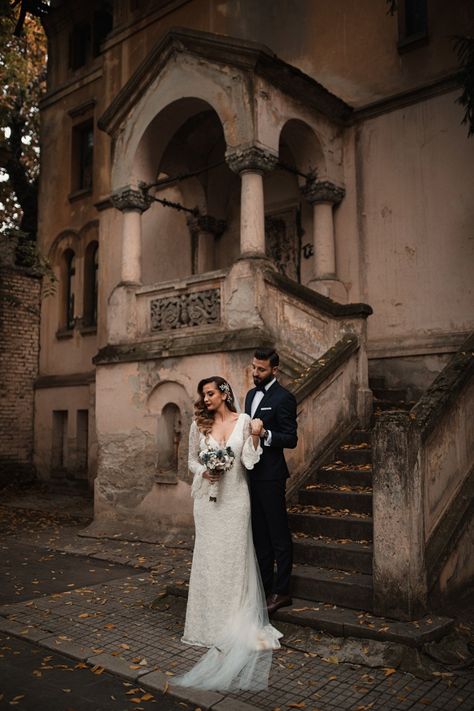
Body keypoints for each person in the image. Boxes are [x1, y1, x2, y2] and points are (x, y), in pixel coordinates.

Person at [173, 376, 282, 692]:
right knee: (208, 561)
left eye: (210, 393)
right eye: (202, 394)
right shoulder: (199, 425)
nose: (205, 399)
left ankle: (232, 625)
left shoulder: (244, 420)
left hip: (235, 499)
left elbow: (249, 459)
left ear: (224, 394)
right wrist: (204, 469)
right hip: (207, 502)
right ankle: (205, 626)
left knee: (233, 561)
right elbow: (191, 462)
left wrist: (257, 437)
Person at [245, 348, 298, 616]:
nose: (255, 373)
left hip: (272, 476)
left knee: (278, 535)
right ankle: (263, 588)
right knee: (259, 535)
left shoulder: (284, 398)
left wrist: (265, 433)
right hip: (250, 475)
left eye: (261, 369)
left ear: (274, 370)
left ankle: (283, 590)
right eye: (254, 368)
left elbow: (290, 438)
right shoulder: (250, 395)